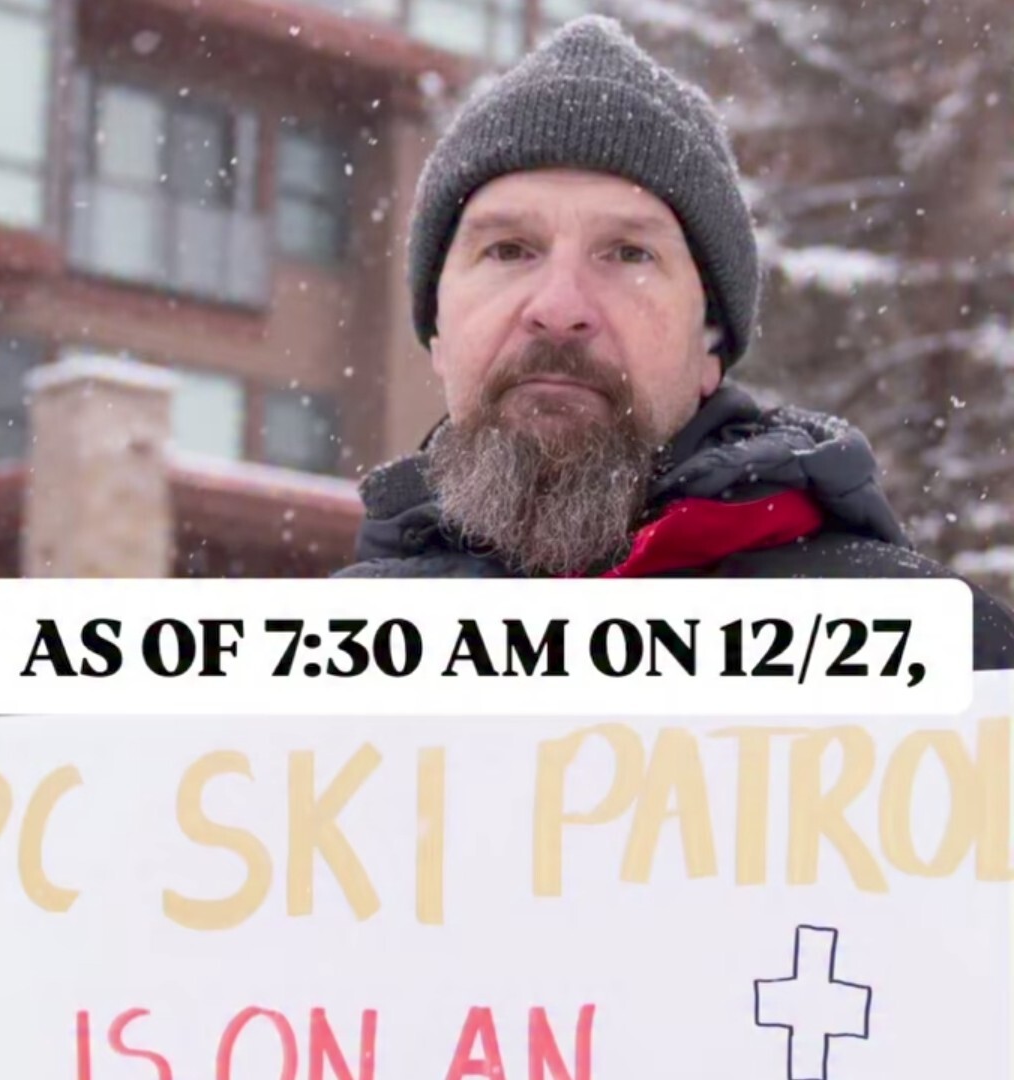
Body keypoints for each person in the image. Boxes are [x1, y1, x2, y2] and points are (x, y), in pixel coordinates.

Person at [334, 15, 1014, 671]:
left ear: (710, 345)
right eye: (509, 249)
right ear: (439, 335)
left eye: (628, 253)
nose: (559, 309)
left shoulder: (949, 660)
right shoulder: (309, 676)